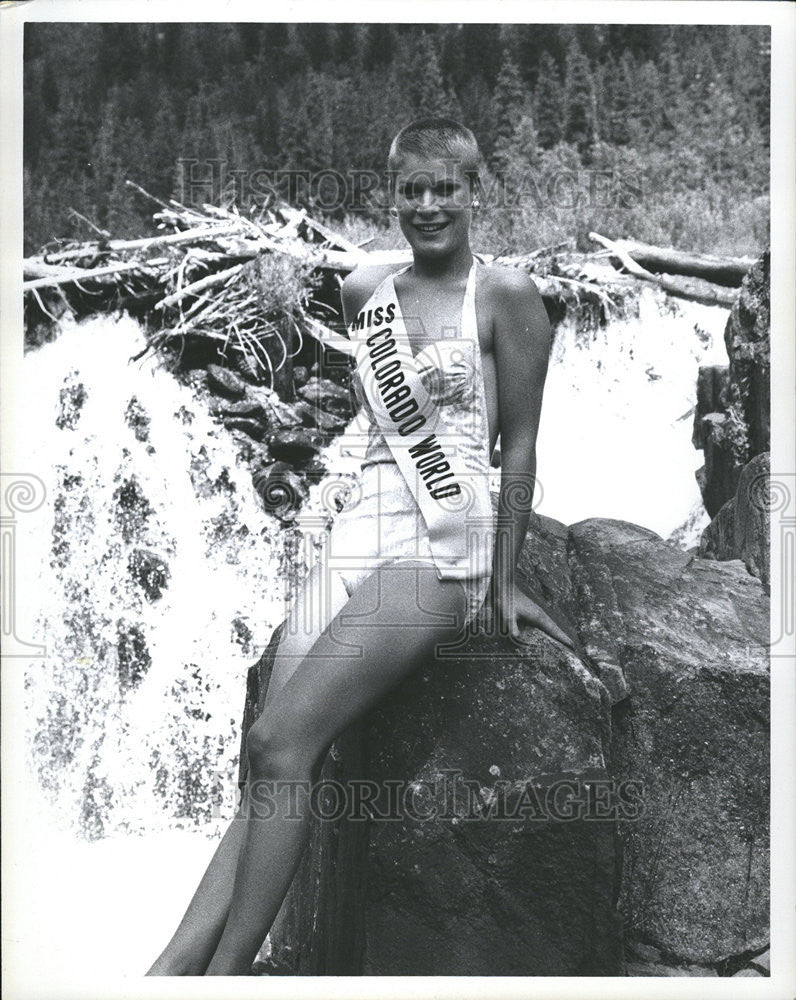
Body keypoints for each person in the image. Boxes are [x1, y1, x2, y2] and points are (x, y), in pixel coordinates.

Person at [147, 116, 573, 977]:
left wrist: (506, 575)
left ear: (473, 191)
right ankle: (172, 969)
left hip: (443, 532)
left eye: (443, 188)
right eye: (409, 190)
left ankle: (224, 977)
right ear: (391, 195)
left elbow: (519, 444)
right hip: (362, 525)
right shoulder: (361, 294)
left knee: (280, 746)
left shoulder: (506, 296)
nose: (426, 205)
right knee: (274, 746)